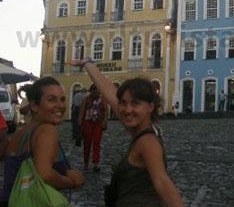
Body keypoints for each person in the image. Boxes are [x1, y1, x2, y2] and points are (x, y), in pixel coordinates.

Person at [70, 58, 183, 207]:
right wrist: (88, 64)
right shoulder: (140, 129)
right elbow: (110, 93)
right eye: (123, 103)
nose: (127, 109)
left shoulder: (147, 141)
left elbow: (163, 183)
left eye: (135, 103)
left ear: (150, 106)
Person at [0, 77, 85, 205]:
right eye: (51, 100)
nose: (61, 105)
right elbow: (44, 173)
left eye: (62, 99)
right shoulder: (47, 130)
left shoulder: (20, 133)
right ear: (34, 105)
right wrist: (71, 182)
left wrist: (66, 171)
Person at [79, 84, 107, 172]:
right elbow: (82, 111)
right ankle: (86, 163)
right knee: (87, 143)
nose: (97, 92)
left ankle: (96, 163)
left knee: (96, 143)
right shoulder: (86, 99)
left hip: (98, 123)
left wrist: (104, 121)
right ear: (91, 91)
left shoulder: (102, 100)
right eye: (95, 90)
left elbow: (106, 111)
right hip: (87, 123)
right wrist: (80, 123)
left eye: (98, 91)